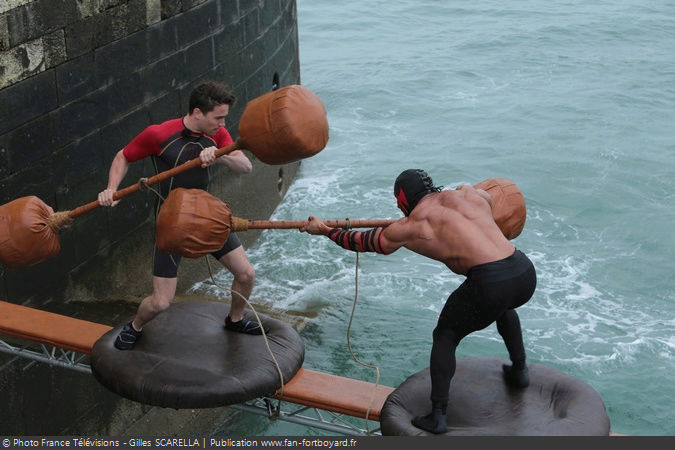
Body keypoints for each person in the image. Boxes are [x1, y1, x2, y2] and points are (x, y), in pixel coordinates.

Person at [300, 169, 536, 434]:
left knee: (445, 335)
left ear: (402, 200)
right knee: (504, 308)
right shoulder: (469, 194)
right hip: (523, 271)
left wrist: (323, 230)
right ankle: (519, 370)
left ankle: (438, 415)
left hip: (489, 283)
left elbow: (361, 241)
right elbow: (490, 198)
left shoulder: (409, 227)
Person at [98, 81, 266, 351]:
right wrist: (111, 189)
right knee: (162, 302)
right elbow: (123, 156)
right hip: (172, 224)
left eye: (225, 117)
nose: (223, 123)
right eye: (218, 117)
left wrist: (220, 155)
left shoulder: (219, 135)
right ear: (198, 112)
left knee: (246, 274)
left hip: (207, 216)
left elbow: (245, 166)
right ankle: (135, 326)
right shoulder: (160, 134)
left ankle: (234, 320)